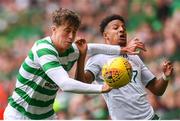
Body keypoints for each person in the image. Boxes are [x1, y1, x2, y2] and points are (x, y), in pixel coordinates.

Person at [3, 8, 145, 120]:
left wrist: (122, 49)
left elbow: (91, 47)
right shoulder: (43, 50)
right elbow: (65, 84)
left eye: (74, 31)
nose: (71, 37)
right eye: (67, 31)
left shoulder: (71, 51)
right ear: (54, 30)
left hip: (45, 116)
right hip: (19, 115)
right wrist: (101, 88)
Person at [77, 14, 174, 120]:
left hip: (150, 118)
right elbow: (81, 85)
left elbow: (157, 89)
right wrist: (81, 57)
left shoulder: (134, 57)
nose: (122, 30)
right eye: (116, 28)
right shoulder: (97, 59)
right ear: (106, 35)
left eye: (124, 27)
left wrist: (165, 76)